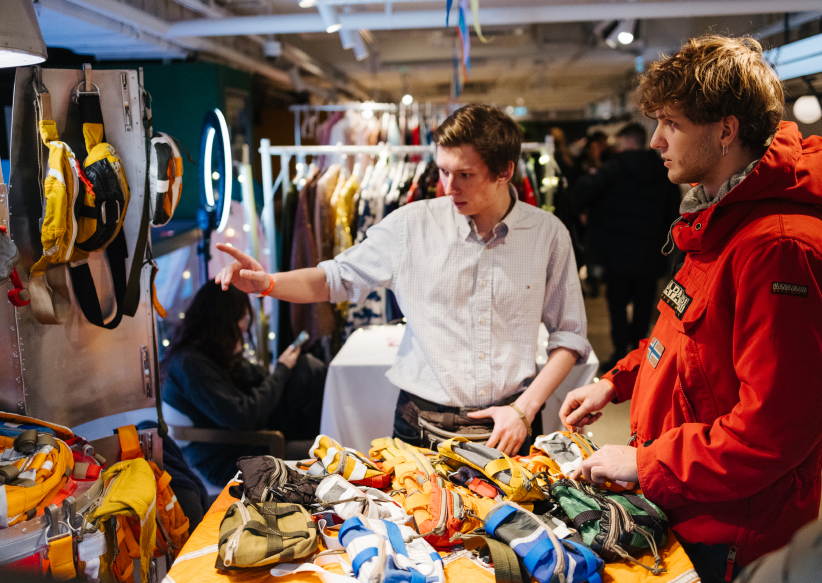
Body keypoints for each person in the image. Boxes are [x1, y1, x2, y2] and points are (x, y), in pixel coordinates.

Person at [559, 36, 822, 583]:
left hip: (731, 532)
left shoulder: (780, 246)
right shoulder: (717, 220)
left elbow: (773, 433)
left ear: (726, 130)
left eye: (671, 123)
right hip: (688, 501)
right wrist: (615, 382)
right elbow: (684, 339)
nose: (656, 141)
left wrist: (647, 465)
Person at [215, 104, 590, 457]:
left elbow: (570, 336)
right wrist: (268, 283)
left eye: (465, 175)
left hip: (511, 424)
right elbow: (335, 278)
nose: (448, 186)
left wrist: (525, 411)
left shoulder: (547, 234)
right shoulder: (411, 224)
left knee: (517, 525)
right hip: (421, 429)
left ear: (505, 171)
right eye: (443, 171)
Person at [162, 280, 327, 487]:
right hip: (228, 455)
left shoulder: (211, 350)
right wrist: (282, 369)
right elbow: (242, 415)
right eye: (242, 319)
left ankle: (319, 440)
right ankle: (319, 447)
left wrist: (237, 357)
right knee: (327, 452)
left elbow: (259, 379)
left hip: (249, 438)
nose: (244, 326)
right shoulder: (189, 363)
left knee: (305, 368)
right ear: (225, 321)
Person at [571, 122, 681, 365]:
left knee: (617, 304)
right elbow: (675, 211)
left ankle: (621, 352)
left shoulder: (614, 168)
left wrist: (586, 214)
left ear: (629, 142)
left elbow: (582, 190)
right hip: (651, 251)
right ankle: (639, 351)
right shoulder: (664, 170)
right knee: (644, 303)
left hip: (616, 251)